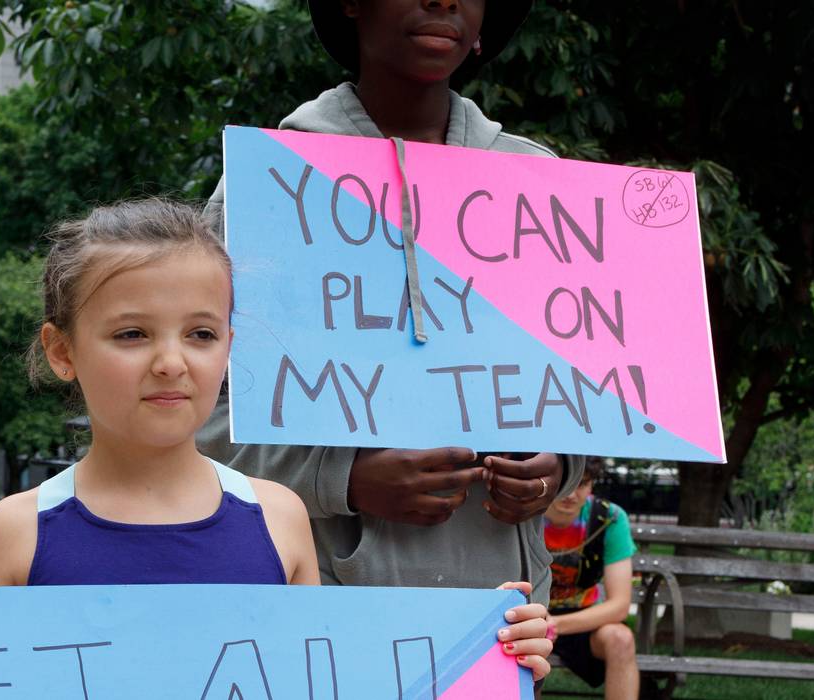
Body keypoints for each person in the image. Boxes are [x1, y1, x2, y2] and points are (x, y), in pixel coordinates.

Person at [0, 198, 554, 684]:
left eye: (201, 332)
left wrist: (485, 651)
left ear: (230, 345)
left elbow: (328, 678)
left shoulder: (278, 518)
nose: (171, 361)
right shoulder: (18, 532)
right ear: (62, 349)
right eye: (132, 333)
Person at [200, 0, 585, 604]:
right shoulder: (271, 179)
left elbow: (587, 389)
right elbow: (195, 415)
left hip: (505, 616)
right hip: (324, 608)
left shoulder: (538, 183)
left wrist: (558, 466)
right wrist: (343, 480)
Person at [544, 458, 639, 699]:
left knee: (621, 638)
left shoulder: (609, 518)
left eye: (582, 484)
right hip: (527, 615)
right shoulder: (523, 514)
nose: (571, 494)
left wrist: (554, 625)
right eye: (565, 484)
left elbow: (619, 606)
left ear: (591, 485)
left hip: (584, 618)